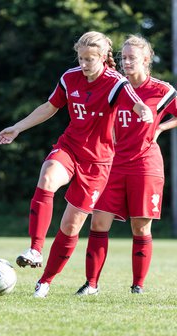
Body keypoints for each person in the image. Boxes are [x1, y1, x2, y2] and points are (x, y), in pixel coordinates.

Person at [0, 31, 153, 297]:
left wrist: (144, 112)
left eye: (90, 59)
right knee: (47, 175)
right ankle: (35, 249)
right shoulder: (70, 78)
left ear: (103, 58)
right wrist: (17, 128)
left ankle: (44, 282)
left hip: (98, 163)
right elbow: (50, 107)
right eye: (81, 58)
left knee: (70, 226)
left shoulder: (115, 83)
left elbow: (136, 103)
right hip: (69, 147)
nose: (84, 64)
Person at [75, 34, 177, 296]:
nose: (126, 62)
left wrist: (161, 127)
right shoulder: (113, 86)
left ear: (146, 59)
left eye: (132, 57)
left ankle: (138, 286)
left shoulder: (162, 90)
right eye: (123, 57)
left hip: (146, 165)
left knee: (140, 227)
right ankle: (91, 284)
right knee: (98, 222)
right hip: (111, 165)